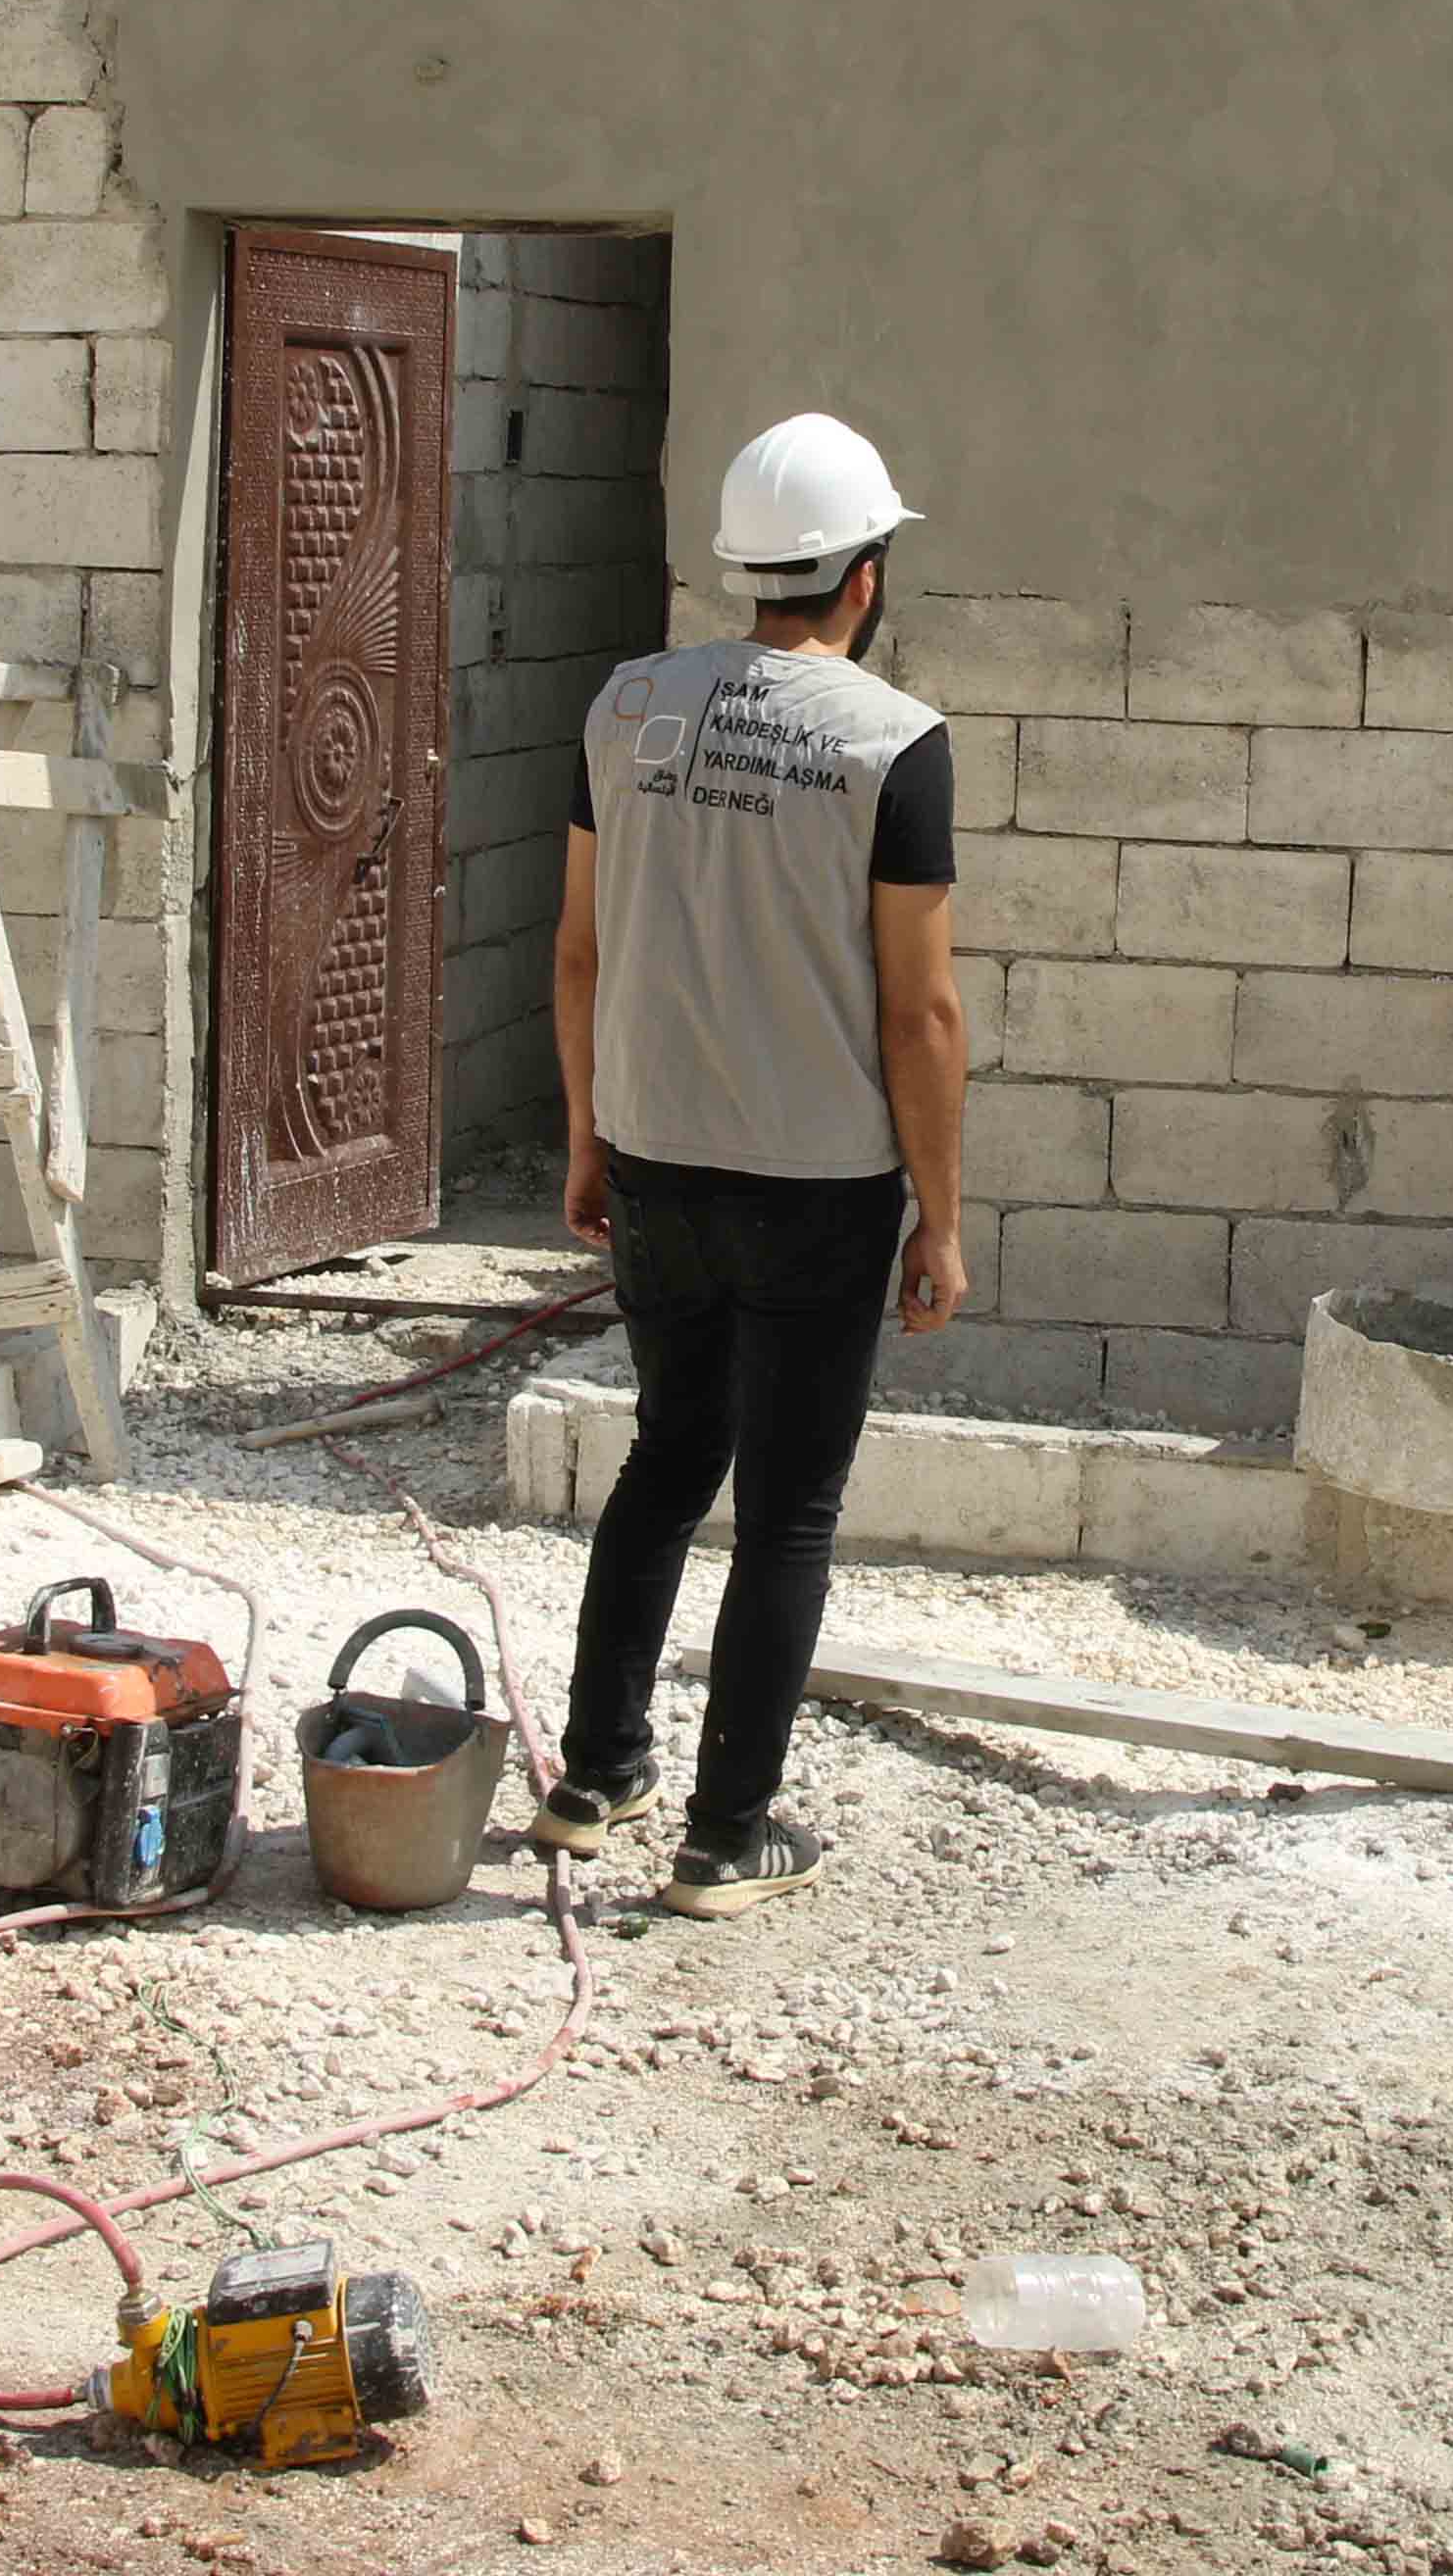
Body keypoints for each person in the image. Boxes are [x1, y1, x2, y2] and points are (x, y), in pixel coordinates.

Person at [536, 412, 971, 1919]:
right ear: (865, 574)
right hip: (817, 1187)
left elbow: (580, 948)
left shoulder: (627, 708)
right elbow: (920, 1012)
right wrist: (940, 1220)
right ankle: (728, 1836)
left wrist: (587, 1137)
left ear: (748, 570)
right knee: (787, 1509)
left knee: (669, 1453)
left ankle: (594, 1778)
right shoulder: (893, 745)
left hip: (654, 1155)